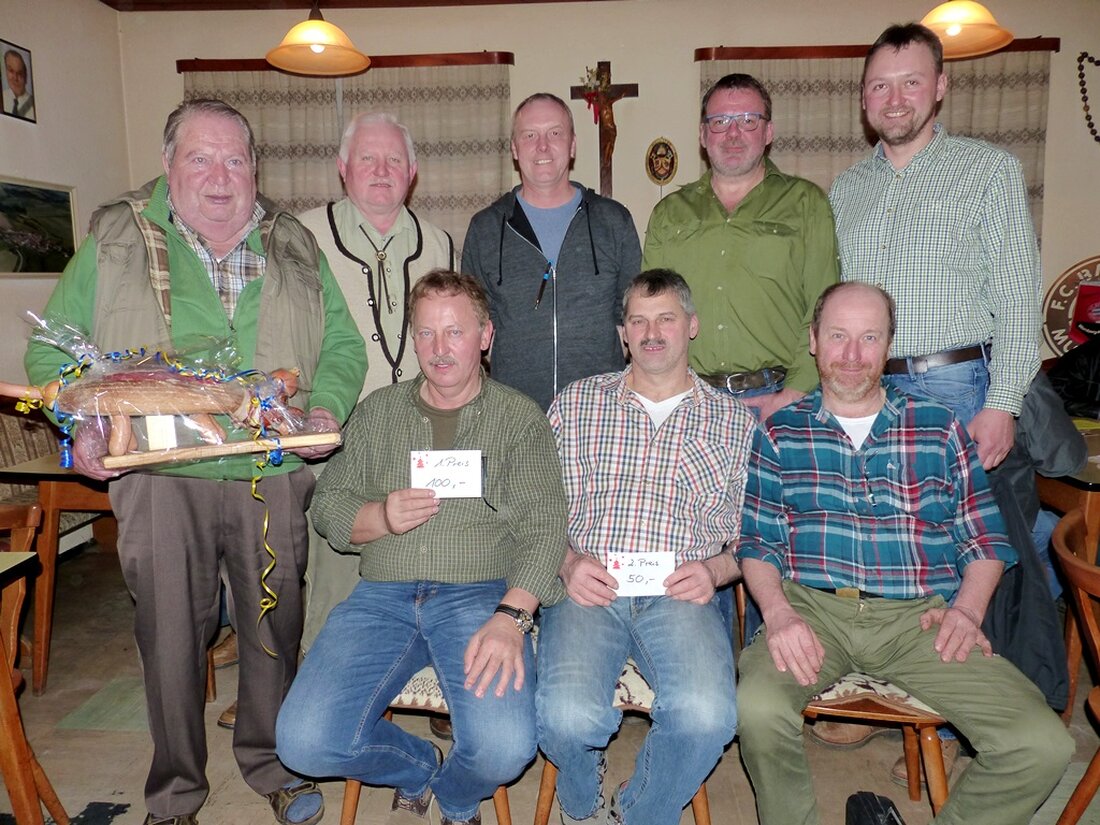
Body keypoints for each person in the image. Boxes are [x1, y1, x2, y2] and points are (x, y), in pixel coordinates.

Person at [24, 99, 366, 825]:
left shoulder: (294, 241)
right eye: (201, 158)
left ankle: (275, 763)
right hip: (158, 479)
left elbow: (343, 345)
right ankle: (175, 792)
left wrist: (327, 407)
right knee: (171, 637)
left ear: (255, 169)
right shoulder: (117, 236)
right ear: (168, 164)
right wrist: (80, 427)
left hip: (269, 470)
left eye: (236, 159)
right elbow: (50, 352)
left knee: (275, 627)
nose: (221, 176)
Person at [735, 282, 1072, 825]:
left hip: (921, 618)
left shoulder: (938, 427)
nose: (851, 355)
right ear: (813, 342)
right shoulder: (780, 433)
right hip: (813, 611)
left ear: (890, 343)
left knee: (1041, 744)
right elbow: (758, 541)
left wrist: (966, 609)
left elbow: (984, 538)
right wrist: (777, 614)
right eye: (838, 336)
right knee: (756, 707)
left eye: (869, 338)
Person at [828, 23, 1066, 740]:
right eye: (879, 85)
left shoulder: (986, 169)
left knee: (976, 562)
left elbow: (1021, 304)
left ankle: (976, 722)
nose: (893, 98)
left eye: (909, 82)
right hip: (873, 395)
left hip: (962, 387)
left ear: (940, 87)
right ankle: (899, 695)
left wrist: (1002, 403)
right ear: (863, 99)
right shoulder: (846, 189)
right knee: (895, 557)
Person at [276, 271, 568, 825]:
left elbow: (545, 525)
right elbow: (328, 504)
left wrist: (512, 615)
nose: (440, 350)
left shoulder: (518, 418)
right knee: (302, 743)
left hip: (479, 597)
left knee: (506, 747)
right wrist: (379, 515)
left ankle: (457, 793)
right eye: (427, 334)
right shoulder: (378, 412)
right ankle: (418, 764)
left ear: (485, 336)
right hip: (382, 596)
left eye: (455, 332)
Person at [538, 269, 752, 825]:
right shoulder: (577, 403)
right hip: (589, 588)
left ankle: (640, 810)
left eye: (666, 319)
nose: (652, 332)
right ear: (623, 333)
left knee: (708, 717)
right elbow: (533, 505)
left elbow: (755, 534)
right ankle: (582, 794)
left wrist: (717, 570)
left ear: (692, 326)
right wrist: (565, 561)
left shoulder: (733, 421)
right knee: (563, 718)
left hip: (680, 594)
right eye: (639, 320)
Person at [297, 112, 455, 652]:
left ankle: (437, 680)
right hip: (334, 443)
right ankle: (322, 686)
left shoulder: (440, 244)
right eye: (367, 158)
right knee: (336, 583)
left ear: (413, 172)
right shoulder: (301, 237)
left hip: (419, 444)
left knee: (430, 572)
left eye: (394, 160)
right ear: (343, 168)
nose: (381, 170)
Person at [641, 73, 838, 421]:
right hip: (691, 402)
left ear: (768, 132)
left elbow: (825, 307)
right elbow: (652, 315)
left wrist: (793, 393)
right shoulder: (670, 214)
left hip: (780, 400)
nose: (733, 133)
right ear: (703, 135)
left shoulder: (807, 203)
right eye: (720, 122)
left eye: (748, 120)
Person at [462, 92, 641, 411]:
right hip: (516, 418)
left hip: (601, 416)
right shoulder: (486, 229)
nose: (542, 146)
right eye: (530, 135)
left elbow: (632, 317)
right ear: (515, 149)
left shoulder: (614, 221)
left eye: (554, 133)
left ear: (572, 145)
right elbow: (476, 326)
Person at [3, 49, 34, 119]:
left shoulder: (33, 105)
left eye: (19, 73)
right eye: (11, 71)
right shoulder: (2, 98)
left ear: (25, 76)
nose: (15, 78)